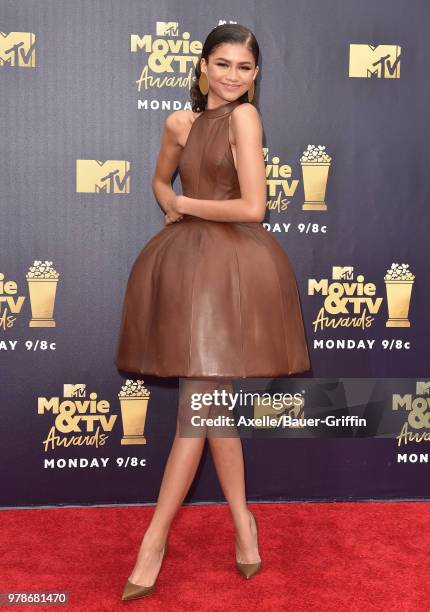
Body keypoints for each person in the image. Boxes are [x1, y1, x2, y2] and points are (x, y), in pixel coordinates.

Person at [115, 23, 310, 601]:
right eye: (222, 64)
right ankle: (244, 525)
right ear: (201, 66)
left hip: (233, 272)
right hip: (186, 270)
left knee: (199, 408)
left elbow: (253, 207)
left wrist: (183, 203)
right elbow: (158, 176)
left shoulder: (246, 119)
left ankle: (154, 539)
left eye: (244, 68)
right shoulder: (179, 122)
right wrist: (166, 203)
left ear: (256, 76)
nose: (232, 76)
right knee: (213, 407)